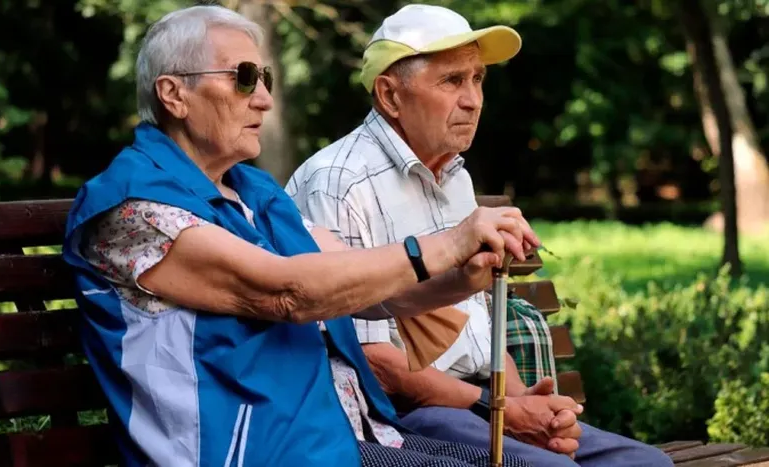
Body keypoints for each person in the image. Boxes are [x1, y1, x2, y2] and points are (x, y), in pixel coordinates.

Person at [60, 5, 548, 467]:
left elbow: (372, 291)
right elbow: (285, 292)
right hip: (244, 451)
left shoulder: (252, 193)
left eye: (265, 79)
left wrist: (464, 277)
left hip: (332, 438)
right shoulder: (133, 208)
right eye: (244, 78)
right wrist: (446, 244)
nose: (265, 98)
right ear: (173, 95)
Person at [286, 4, 674, 467]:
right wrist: (499, 410)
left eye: (477, 80)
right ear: (390, 96)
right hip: (408, 418)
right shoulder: (338, 182)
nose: (473, 100)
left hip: (481, 403)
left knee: (648, 464)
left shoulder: (455, 177)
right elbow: (375, 365)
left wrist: (525, 404)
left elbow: (481, 320)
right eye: (452, 81)